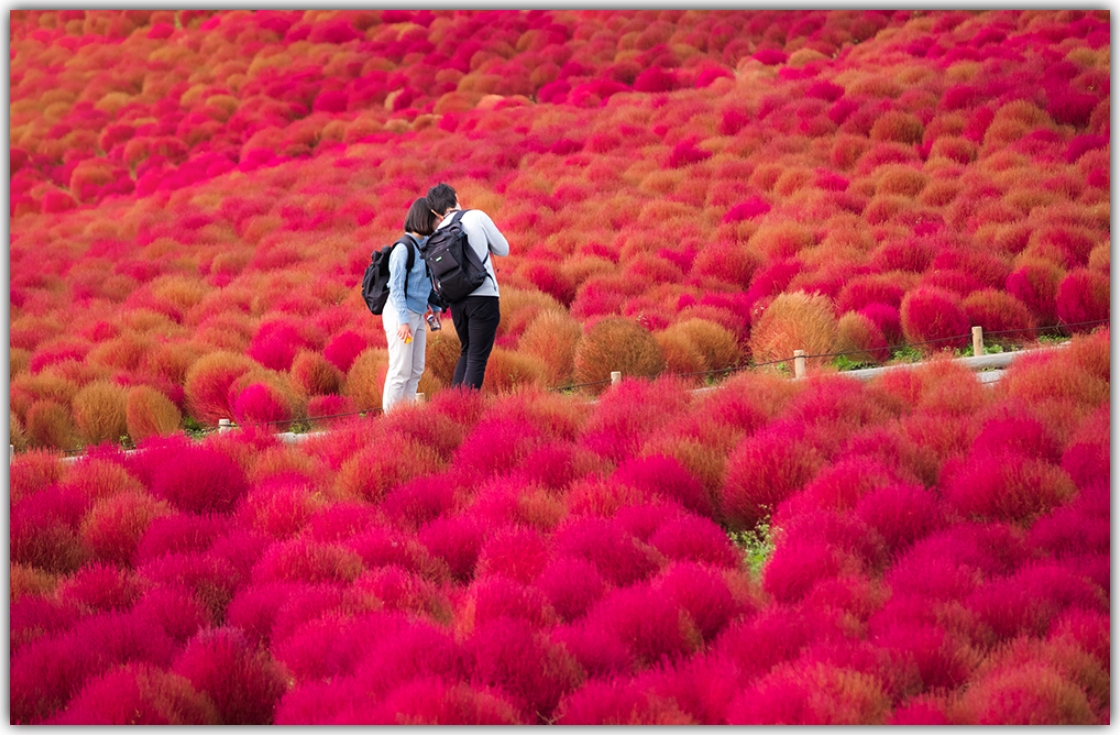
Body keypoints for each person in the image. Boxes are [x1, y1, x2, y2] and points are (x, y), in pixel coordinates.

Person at [426, 182, 509, 390]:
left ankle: (455, 407)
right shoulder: (476, 216)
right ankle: (466, 410)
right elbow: (503, 249)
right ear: (455, 196)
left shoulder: (437, 233)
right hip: (483, 296)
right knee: (477, 359)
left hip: (456, 301)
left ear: (435, 212)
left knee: (467, 352)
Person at [381, 197, 442, 412]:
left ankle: (406, 414)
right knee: (400, 370)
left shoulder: (424, 247)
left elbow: (426, 282)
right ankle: (391, 419)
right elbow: (396, 289)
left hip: (417, 315)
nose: (437, 223)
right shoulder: (403, 250)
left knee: (416, 369)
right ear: (425, 219)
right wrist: (403, 322)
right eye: (435, 218)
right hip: (401, 315)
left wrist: (435, 309)